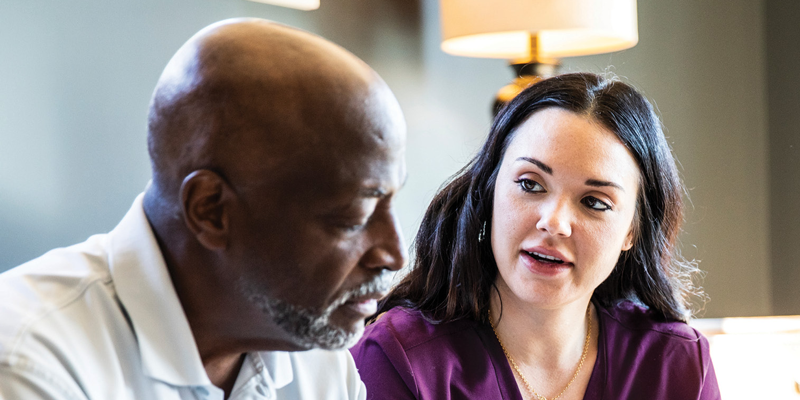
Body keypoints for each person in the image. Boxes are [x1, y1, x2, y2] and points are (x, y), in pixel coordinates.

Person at [0, 18, 407, 400]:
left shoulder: (318, 356)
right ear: (210, 210)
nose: (395, 254)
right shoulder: (31, 362)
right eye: (354, 218)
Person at [351, 73, 721, 399]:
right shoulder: (400, 357)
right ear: (489, 190)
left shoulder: (679, 364)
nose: (554, 222)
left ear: (632, 231)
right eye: (530, 184)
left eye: (594, 202)